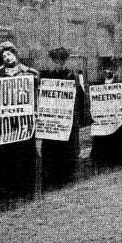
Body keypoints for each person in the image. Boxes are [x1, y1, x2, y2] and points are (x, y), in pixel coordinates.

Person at [0, 41, 39, 211]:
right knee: (5, 158)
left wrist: (36, 111)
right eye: (3, 56)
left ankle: (25, 191)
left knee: (24, 155)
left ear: (15, 54)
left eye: (9, 54)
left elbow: (37, 96)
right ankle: (6, 193)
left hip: (24, 125)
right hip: (5, 126)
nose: (7, 57)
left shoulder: (30, 74)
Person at [39, 47, 85, 190]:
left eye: (61, 61)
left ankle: (66, 177)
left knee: (67, 150)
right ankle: (51, 177)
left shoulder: (71, 76)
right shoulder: (47, 77)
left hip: (67, 121)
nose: (58, 64)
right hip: (51, 121)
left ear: (64, 61)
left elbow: (80, 97)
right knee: (51, 149)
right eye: (55, 61)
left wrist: (76, 115)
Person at [90, 58, 122, 170]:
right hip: (104, 118)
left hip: (116, 118)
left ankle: (115, 160)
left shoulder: (119, 83)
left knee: (116, 137)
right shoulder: (98, 84)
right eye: (105, 69)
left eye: (110, 69)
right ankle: (102, 160)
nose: (107, 71)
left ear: (114, 70)